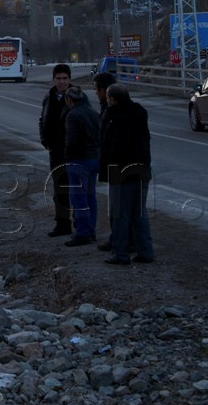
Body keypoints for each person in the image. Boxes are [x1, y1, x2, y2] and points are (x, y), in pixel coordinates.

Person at [99, 83, 156, 265]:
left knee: (119, 215)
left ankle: (120, 253)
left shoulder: (115, 118)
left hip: (120, 171)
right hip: (142, 169)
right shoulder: (139, 113)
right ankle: (146, 252)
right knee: (139, 213)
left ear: (113, 99)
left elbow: (114, 147)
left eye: (108, 99)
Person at [38, 64, 75, 237]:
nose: (62, 82)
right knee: (59, 189)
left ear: (69, 79)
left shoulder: (77, 97)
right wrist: (44, 140)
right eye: (59, 79)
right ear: (54, 80)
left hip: (74, 151)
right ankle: (63, 224)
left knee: (77, 190)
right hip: (55, 151)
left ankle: (83, 227)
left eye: (65, 78)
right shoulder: (49, 97)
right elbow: (42, 119)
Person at [62, 87, 101, 247]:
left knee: (79, 198)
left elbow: (71, 141)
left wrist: (67, 158)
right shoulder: (93, 113)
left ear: (69, 100)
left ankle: (83, 232)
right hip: (94, 159)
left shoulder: (73, 115)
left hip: (78, 160)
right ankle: (90, 229)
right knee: (91, 196)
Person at [92, 71, 120, 251]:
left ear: (104, 90)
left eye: (96, 89)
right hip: (113, 163)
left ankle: (120, 241)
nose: (95, 93)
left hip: (118, 164)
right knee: (116, 206)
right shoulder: (107, 108)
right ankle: (117, 237)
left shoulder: (113, 111)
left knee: (119, 207)